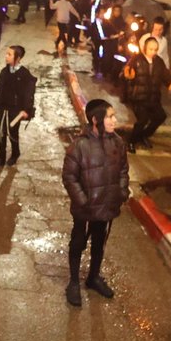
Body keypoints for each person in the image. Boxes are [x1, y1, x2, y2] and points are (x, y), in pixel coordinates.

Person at [62, 99, 129, 308]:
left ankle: (93, 277)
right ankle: (73, 282)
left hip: (107, 206)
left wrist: (121, 192)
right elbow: (69, 178)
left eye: (113, 116)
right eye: (109, 117)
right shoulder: (79, 146)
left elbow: (123, 171)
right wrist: (83, 201)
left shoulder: (117, 142)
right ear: (95, 120)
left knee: (99, 242)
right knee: (78, 242)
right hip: (84, 209)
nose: (114, 120)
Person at [0, 45, 36, 167]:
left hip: (15, 110)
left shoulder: (24, 74)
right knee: (1, 132)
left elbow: (28, 93)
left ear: (18, 58)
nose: (6, 56)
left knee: (12, 133)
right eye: (6, 54)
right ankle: (1, 157)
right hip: (3, 108)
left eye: (9, 54)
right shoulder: (4, 72)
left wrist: (27, 109)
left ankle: (15, 153)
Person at [123, 36, 169, 151]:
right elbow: (125, 75)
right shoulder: (136, 59)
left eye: (155, 49)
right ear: (144, 48)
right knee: (143, 119)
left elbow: (166, 76)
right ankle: (132, 141)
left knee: (160, 116)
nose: (153, 52)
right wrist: (128, 76)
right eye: (151, 49)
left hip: (154, 98)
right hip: (139, 97)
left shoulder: (159, 61)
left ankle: (143, 135)